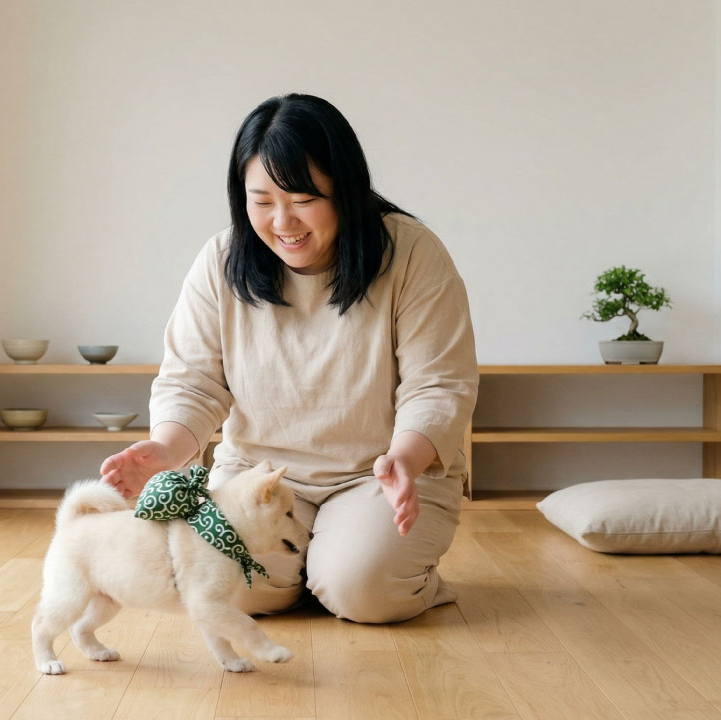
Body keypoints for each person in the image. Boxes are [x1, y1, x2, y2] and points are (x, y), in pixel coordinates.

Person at [100, 93, 478, 624]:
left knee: (363, 591)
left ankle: (349, 572)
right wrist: (164, 449)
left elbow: (437, 384)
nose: (283, 221)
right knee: (233, 592)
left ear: (344, 189)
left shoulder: (412, 253)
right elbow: (193, 382)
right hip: (261, 477)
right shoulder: (221, 261)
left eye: (302, 199)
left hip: (378, 475)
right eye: (262, 200)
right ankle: (308, 572)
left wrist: (406, 460)